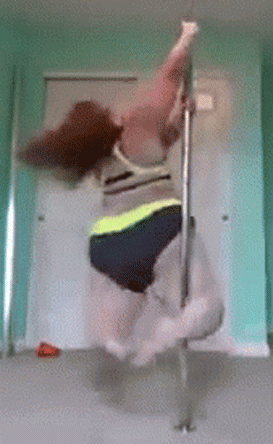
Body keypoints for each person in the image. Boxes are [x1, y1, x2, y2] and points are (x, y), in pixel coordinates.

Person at [19, 22, 225, 366]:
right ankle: (171, 331)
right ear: (107, 119)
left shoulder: (103, 156)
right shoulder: (138, 124)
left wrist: (180, 118)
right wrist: (186, 39)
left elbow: (161, 144)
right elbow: (170, 77)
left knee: (134, 291)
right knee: (208, 308)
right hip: (156, 230)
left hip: (107, 244)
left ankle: (116, 340)